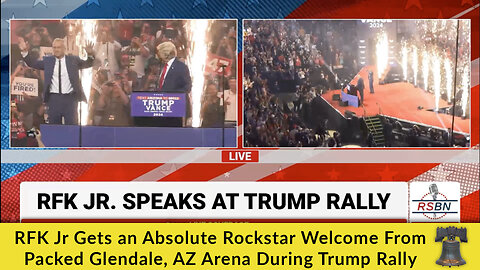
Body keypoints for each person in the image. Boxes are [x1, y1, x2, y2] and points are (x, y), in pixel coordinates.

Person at [19, 37, 95, 125]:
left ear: (64, 48)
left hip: (70, 99)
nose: (56, 50)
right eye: (54, 47)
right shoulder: (48, 61)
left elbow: (88, 63)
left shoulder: (73, 60)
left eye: (58, 47)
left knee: (72, 126)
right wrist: (24, 52)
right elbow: (33, 63)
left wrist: (90, 54)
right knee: (54, 126)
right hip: (54, 99)